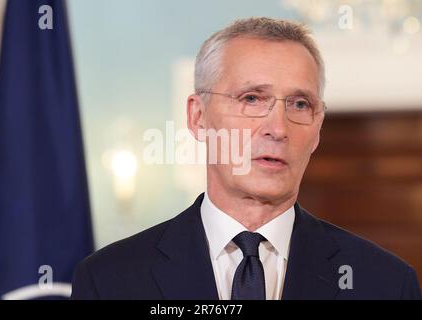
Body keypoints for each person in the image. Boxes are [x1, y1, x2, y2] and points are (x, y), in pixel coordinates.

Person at [71, 17, 421, 300]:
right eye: (252, 98)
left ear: (317, 129)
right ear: (198, 117)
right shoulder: (110, 280)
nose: (277, 128)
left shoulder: (386, 284)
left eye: (300, 104)